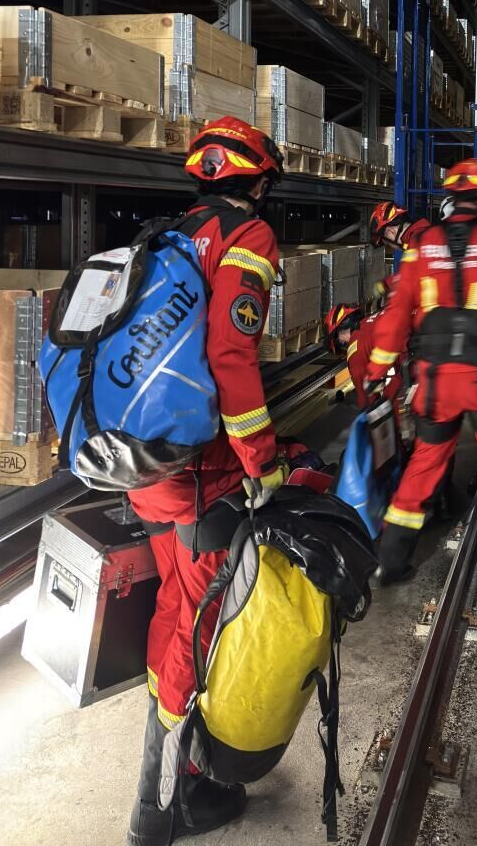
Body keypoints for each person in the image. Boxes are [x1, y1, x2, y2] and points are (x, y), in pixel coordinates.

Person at [126, 116, 286, 846]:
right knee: (201, 626)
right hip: (201, 478)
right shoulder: (247, 238)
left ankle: (170, 767)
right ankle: (165, 804)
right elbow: (231, 357)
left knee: (174, 607)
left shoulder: (167, 237)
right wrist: (263, 463)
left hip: (147, 469)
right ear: (260, 183)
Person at [363, 158, 477, 595]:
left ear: (452, 198)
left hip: (436, 381)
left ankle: (392, 562)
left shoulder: (421, 247)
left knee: (424, 466)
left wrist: (375, 370)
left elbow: (397, 315)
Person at [324, 303, 401, 409]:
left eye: (339, 342)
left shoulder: (355, 346)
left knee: (392, 404)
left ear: (339, 334)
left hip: (416, 356)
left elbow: (366, 397)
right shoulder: (373, 321)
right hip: (416, 345)